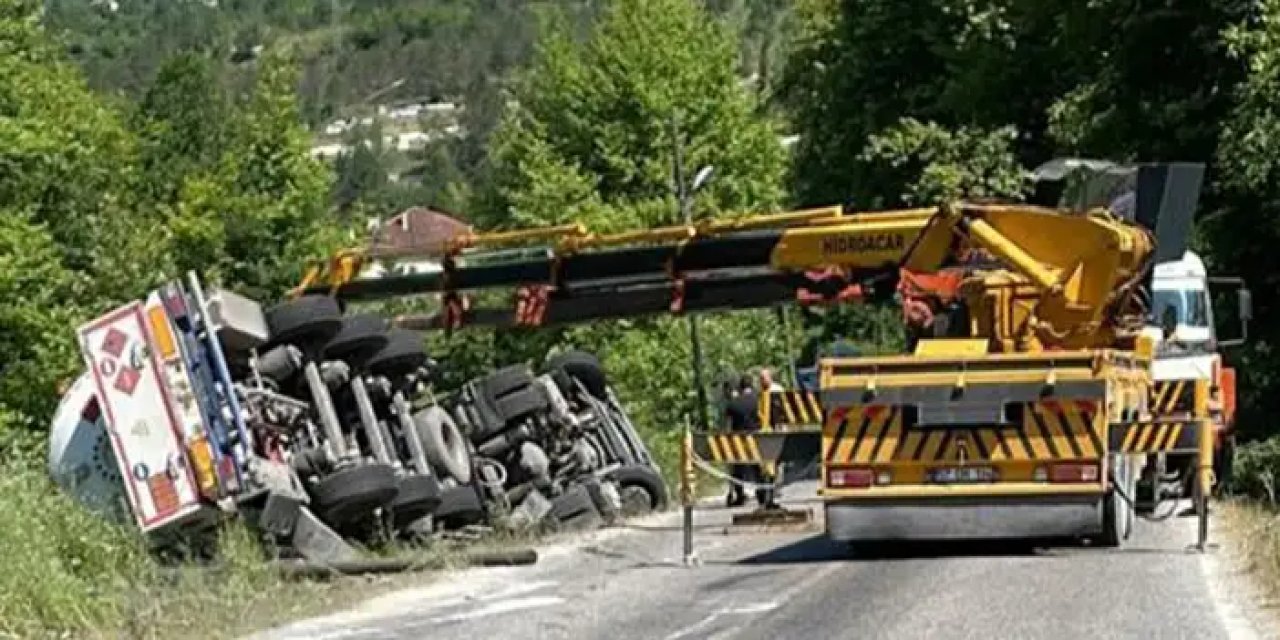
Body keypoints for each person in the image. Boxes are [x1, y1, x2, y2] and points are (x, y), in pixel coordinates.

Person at [723, 374, 761, 507]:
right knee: (758, 467)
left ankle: (740, 496)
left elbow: (728, 425)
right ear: (751, 385)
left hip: (738, 439)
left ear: (741, 386)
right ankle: (762, 493)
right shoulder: (759, 400)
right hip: (757, 438)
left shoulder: (733, 404)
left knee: (738, 468)